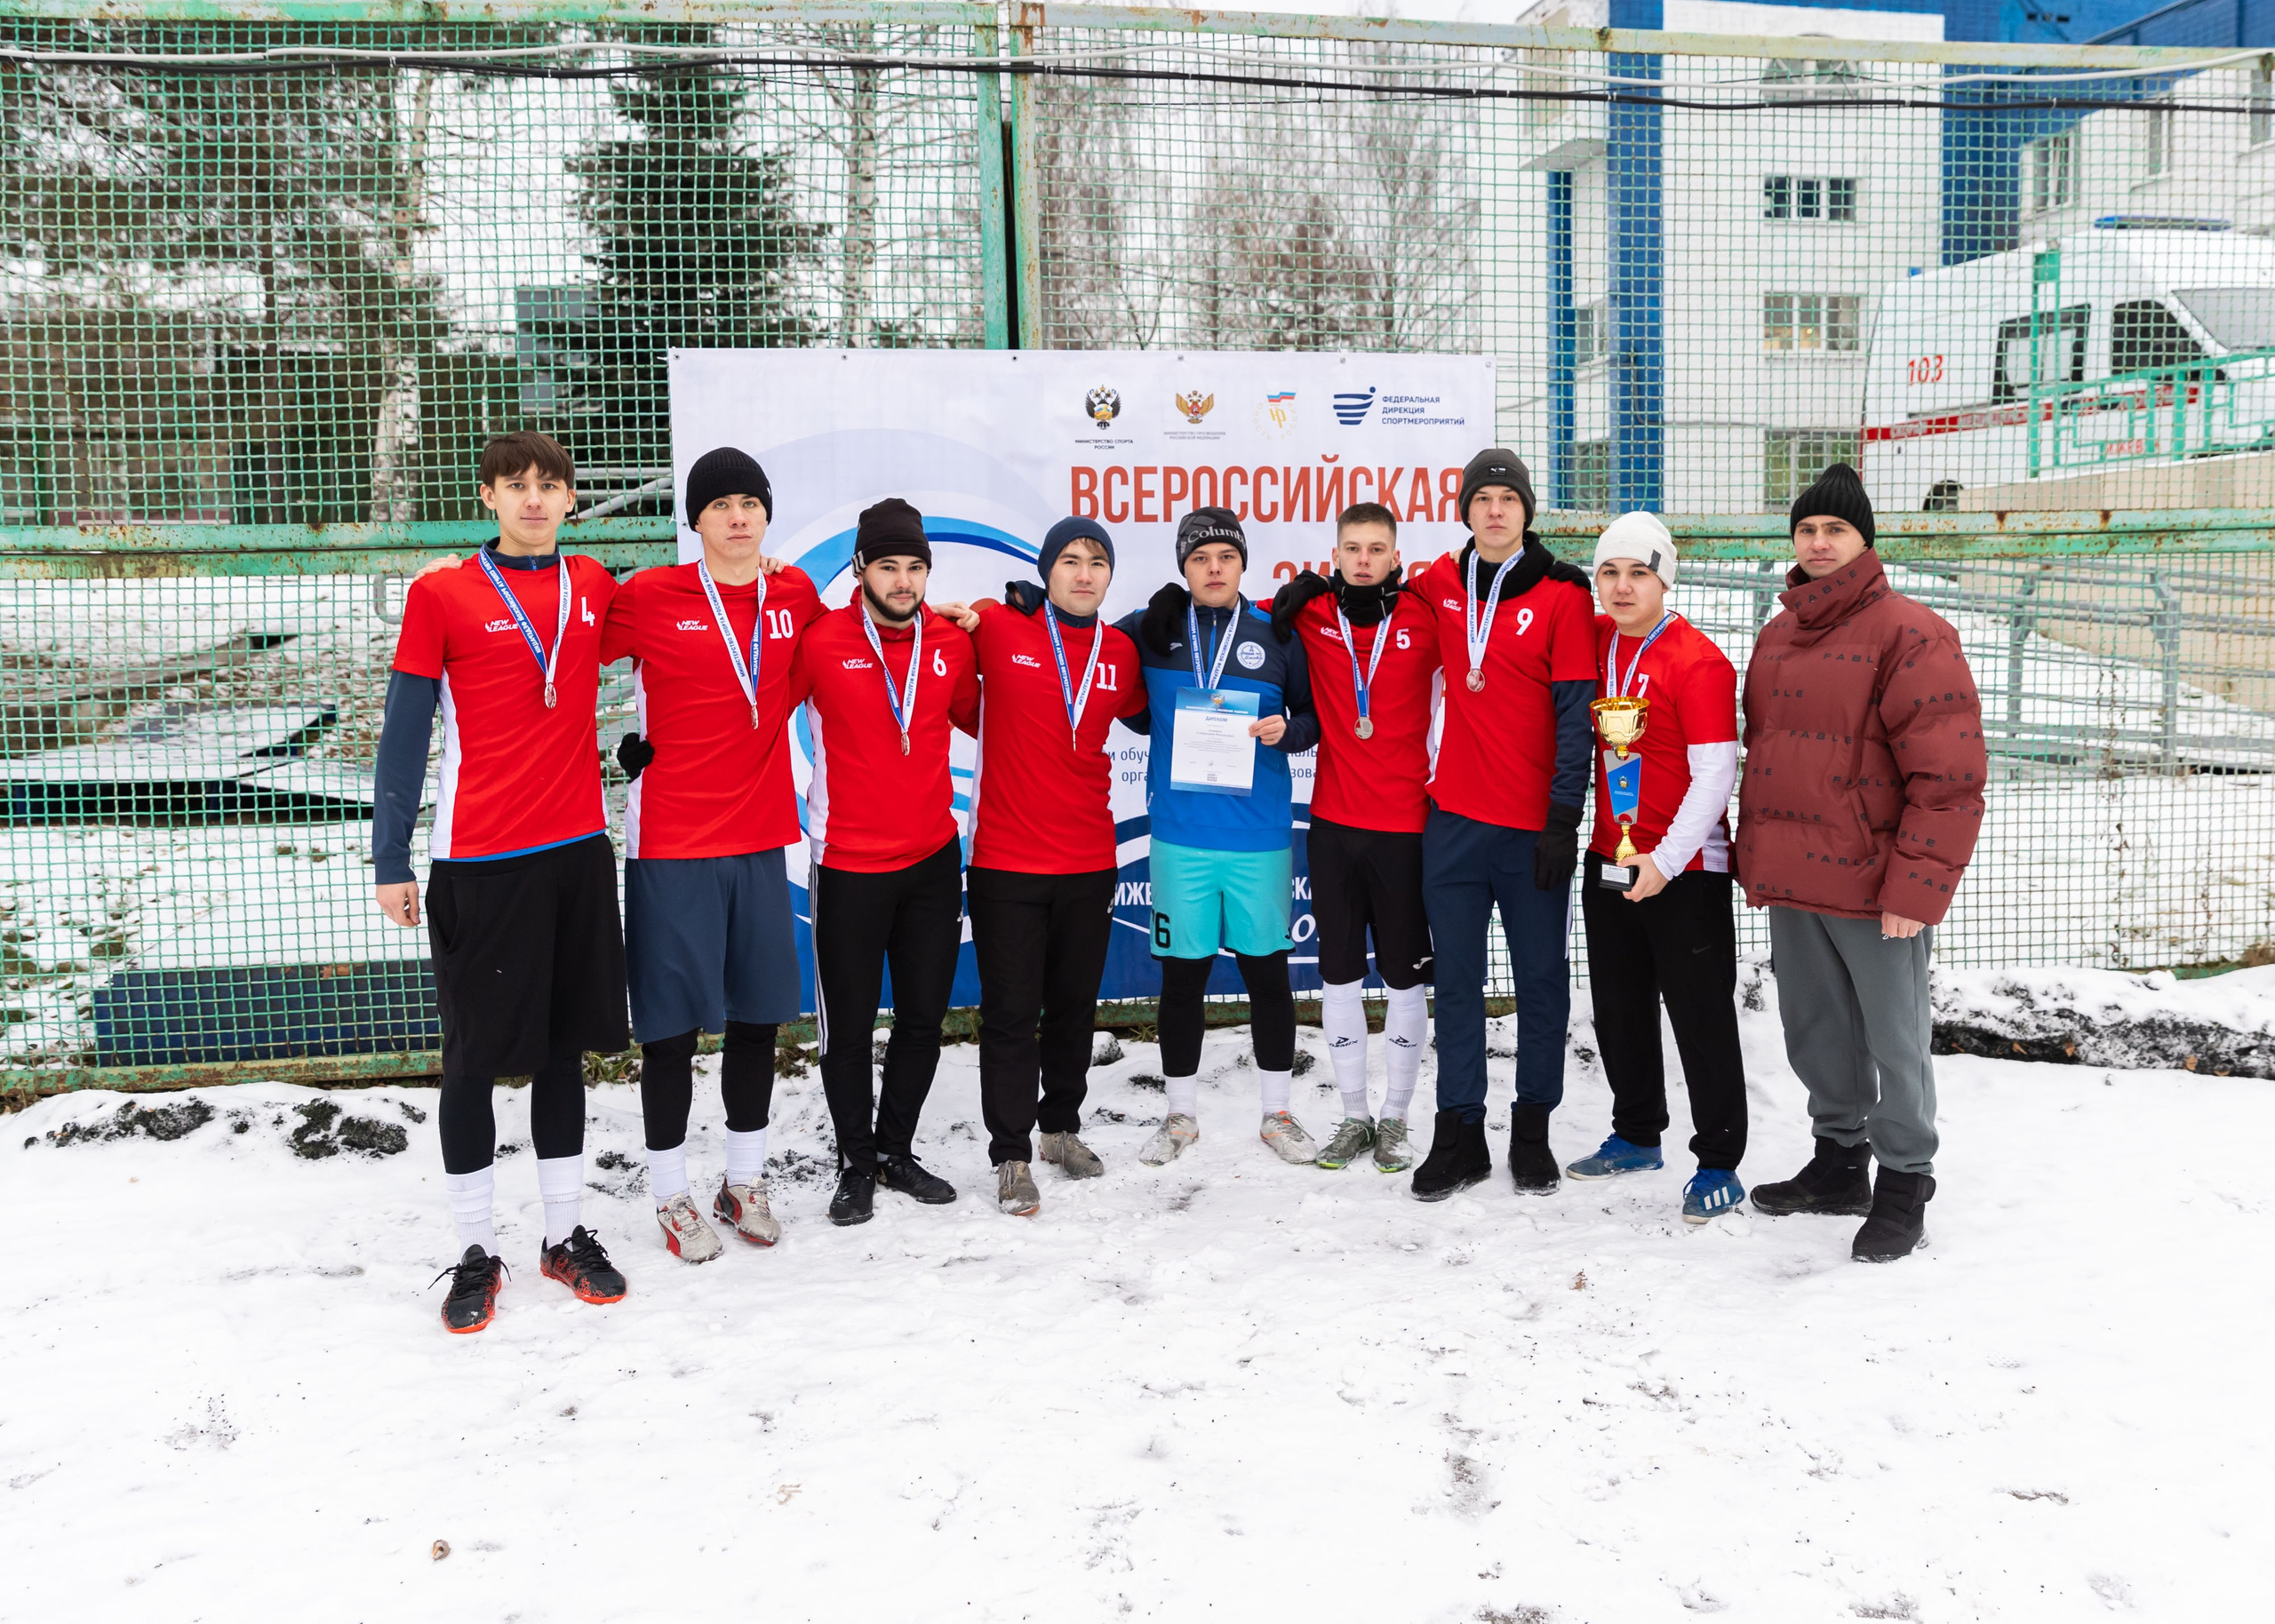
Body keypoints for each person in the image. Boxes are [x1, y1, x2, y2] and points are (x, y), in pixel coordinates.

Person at [373, 431, 628, 1333]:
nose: (533, 498)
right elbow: (403, 736)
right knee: (474, 1061)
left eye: (550, 484)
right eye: (515, 484)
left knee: (563, 1051)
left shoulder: (592, 585)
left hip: (576, 853)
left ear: (569, 498)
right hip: (479, 860)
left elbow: (686, 630)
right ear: (488, 494)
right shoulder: (441, 594)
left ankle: (563, 1234)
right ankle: (476, 1250)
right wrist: (387, 858)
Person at [1738, 464, 1984, 1262]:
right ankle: (1839, 1160)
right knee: (1816, 1031)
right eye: (1807, 529)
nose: (1818, 542)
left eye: (1835, 530)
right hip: (1799, 877)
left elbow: (1947, 779)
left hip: (1878, 883)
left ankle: (1906, 1178)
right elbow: (1767, 756)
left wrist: (1917, 886)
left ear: (1864, 541)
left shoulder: (1912, 632)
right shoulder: (1778, 635)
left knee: (1894, 1037)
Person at [602, 447, 824, 1261]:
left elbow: (862, 642)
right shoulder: (651, 595)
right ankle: (669, 1194)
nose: (738, 516)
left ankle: (744, 1179)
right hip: (671, 843)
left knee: (758, 1020)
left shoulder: (794, 591)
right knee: (667, 1032)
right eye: (721, 504)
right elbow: (557, 644)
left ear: (766, 515)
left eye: (750, 503)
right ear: (694, 519)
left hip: (762, 840)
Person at [787, 498, 980, 1227]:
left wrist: (993, 619)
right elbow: (754, 707)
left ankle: (895, 1150)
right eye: (889, 566)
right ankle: (855, 1161)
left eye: (916, 567)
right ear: (862, 569)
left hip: (932, 860)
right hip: (847, 865)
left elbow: (986, 714)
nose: (904, 581)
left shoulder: (951, 644)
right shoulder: (820, 641)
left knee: (925, 1017)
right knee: (849, 1026)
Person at [1409, 450, 1596, 1201]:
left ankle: (1532, 1132)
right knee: (1454, 985)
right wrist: (1304, 595)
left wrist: (1563, 818)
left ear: (1526, 510)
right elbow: (1367, 589)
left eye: (1507, 499)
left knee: (1542, 984)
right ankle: (1458, 1135)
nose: (1494, 510)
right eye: (1481, 498)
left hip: (1530, 832)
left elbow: (1578, 715)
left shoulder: (1562, 593)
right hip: (1452, 822)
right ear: (1465, 510)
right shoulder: (1437, 584)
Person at [947, 518, 1148, 1216]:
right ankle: (1011, 1155)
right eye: (1070, 560)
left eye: (1098, 562)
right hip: (1006, 860)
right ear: (1046, 571)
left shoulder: (1123, 651)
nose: (1085, 573)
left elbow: (1167, 701)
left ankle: (1060, 1127)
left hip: (1090, 860)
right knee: (1009, 1015)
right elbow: (940, 648)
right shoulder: (999, 625)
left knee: (1072, 1009)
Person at [1115, 507, 1321, 1167]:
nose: (1213, 568)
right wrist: (1029, 602)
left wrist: (1287, 733)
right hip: (1180, 840)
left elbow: (1315, 716)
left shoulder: (1275, 634)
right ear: (1183, 566)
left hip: (1259, 838)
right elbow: (1079, 635)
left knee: (1267, 978)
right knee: (1183, 979)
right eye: (1200, 558)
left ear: (1242, 564)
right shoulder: (1154, 631)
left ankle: (1277, 1113)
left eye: (1225, 557)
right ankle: (1180, 1115)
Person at [1563, 513, 1749, 1223]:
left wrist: (1667, 862)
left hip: (1684, 868)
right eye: (1609, 572)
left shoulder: (1697, 661)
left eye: (1639, 573)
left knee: (1699, 1014)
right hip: (1610, 857)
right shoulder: (1600, 645)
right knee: (1618, 1004)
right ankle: (1638, 1133)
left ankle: (1719, 1159)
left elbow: (1714, 775)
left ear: (1665, 579)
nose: (1622, 586)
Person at [1269, 503, 1442, 1175]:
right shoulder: (1311, 614)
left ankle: (1395, 1118)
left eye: (1377, 548)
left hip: (1406, 827)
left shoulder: (1425, 617)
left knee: (1404, 979)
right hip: (1334, 827)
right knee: (1338, 974)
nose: (1364, 559)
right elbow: (1220, 601)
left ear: (1396, 558)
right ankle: (1354, 1116)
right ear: (1334, 555)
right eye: (1352, 548)